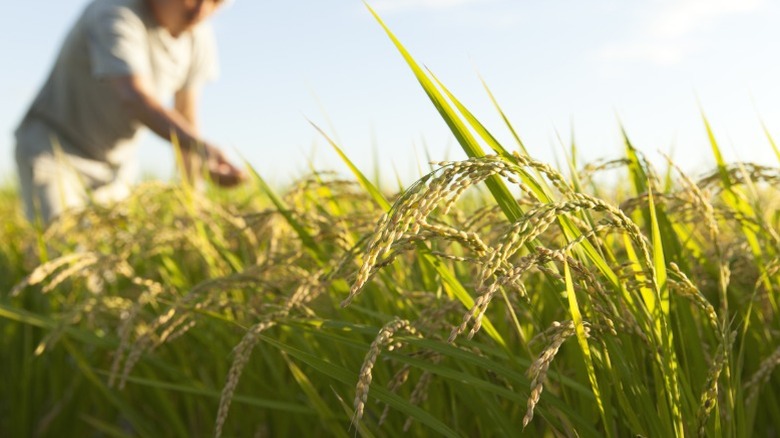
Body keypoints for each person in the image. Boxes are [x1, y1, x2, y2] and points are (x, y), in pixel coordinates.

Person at [14, 0, 245, 224]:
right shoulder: (115, 11)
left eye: (215, 1)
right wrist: (203, 148)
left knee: (112, 254)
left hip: (116, 165)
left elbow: (186, 116)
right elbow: (134, 98)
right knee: (62, 248)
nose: (201, 9)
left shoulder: (198, 38)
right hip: (56, 151)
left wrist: (193, 199)